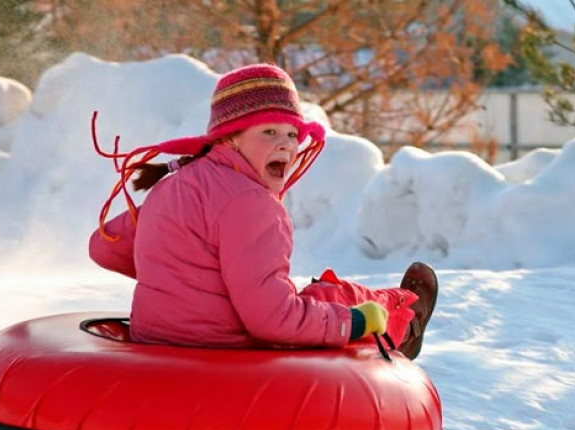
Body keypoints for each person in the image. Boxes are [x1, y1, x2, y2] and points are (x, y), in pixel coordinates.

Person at [88, 63, 437, 359]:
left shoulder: (173, 184)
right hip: (224, 349)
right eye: (269, 131)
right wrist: (357, 322)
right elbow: (272, 321)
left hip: (158, 342)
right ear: (229, 138)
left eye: (291, 133)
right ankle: (404, 316)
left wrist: (185, 274)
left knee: (303, 298)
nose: (285, 143)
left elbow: (104, 247)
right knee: (330, 297)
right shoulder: (251, 203)